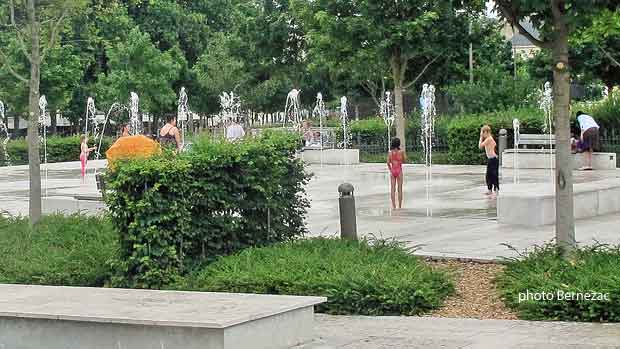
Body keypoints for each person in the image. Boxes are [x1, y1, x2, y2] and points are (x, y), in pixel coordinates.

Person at [479, 125, 499, 197]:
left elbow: (480, 146)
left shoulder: (489, 139)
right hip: (491, 159)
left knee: (494, 175)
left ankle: (496, 189)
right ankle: (490, 190)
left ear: (486, 132)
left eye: (482, 133)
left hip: (493, 159)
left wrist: (481, 138)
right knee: (488, 175)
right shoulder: (489, 139)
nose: (482, 134)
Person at [387, 137, 406, 209]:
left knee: (392, 189)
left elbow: (388, 162)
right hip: (399, 170)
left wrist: (390, 170)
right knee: (400, 189)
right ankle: (400, 206)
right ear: (399, 144)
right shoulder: (401, 152)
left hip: (393, 170)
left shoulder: (390, 152)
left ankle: (393, 205)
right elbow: (404, 160)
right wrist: (400, 160)